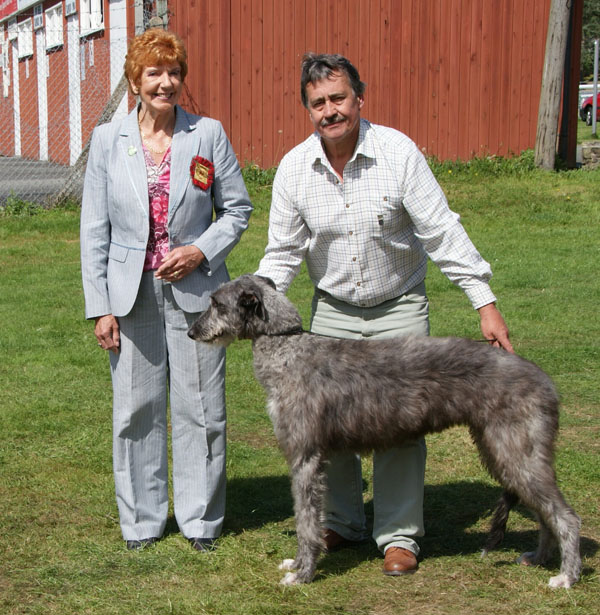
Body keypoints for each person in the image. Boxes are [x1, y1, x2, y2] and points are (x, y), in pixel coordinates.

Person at [256, 52, 513, 576]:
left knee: (401, 426)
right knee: (327, 427)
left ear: (359, 99)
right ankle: (342, 523)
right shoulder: (292, 169)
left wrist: (483, 301)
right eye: (318, 103)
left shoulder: (398, 152)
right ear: (308, 110)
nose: (330, 111)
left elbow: (440, 230)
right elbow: (282, 253)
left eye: (338, 98)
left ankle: (399, 536)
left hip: (399, 308)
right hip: (332, 313)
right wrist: (260, 304)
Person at [80, 29, 252, 552]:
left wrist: (200, 251)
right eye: (154, 73)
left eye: (173, 72)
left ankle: (201, 522)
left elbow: (238, 209)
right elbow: (94, 229)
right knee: (136, 409)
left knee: (201, 407)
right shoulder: (108, 140)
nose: (166, 83)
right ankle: (143, 522)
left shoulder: (208, 135)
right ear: (135, 80)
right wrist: (101, 307)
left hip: (199, 294)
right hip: (129, 296)